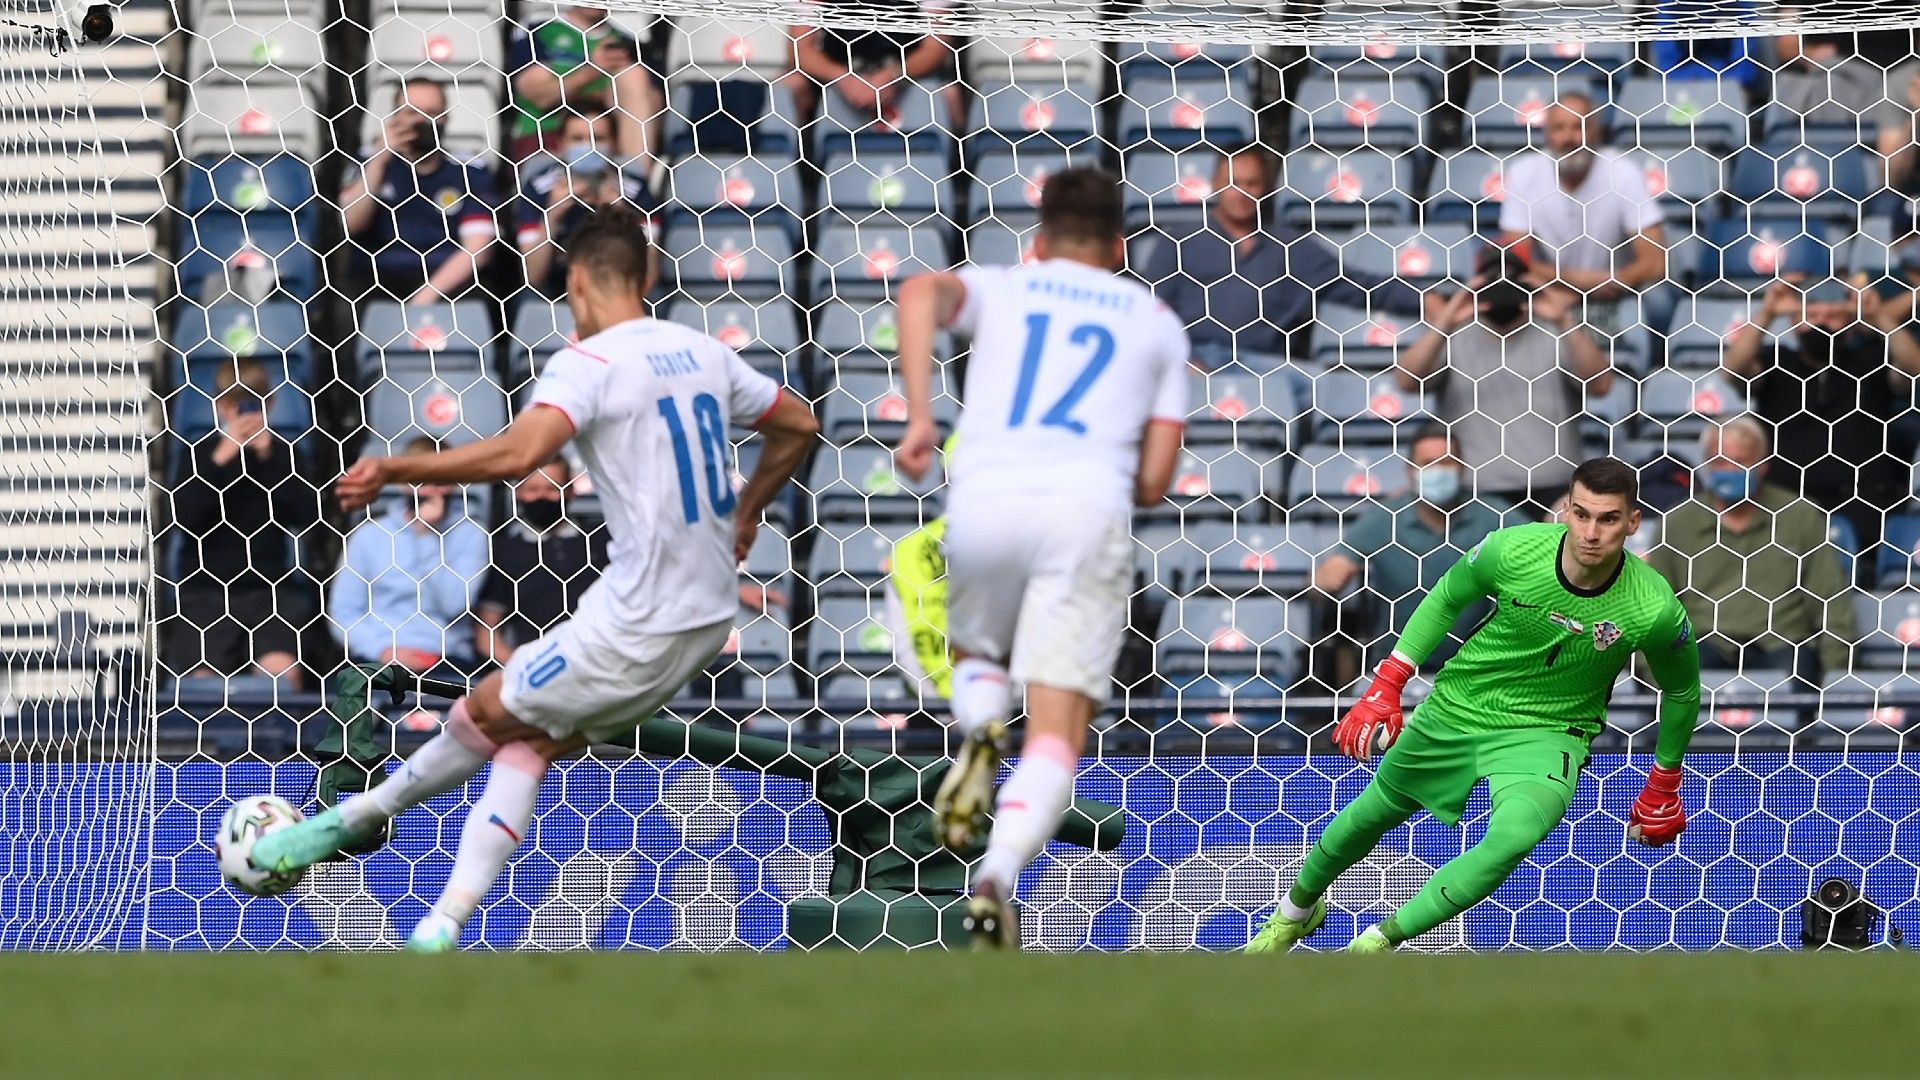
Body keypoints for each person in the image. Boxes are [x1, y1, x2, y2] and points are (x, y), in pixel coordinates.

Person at [249, 207, 822, 951]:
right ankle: (442, 925)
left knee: (480, 713)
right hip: (708, 618)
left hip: (638, 616)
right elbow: (800, 425)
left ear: (576, 280)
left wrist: (397, 464)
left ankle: (348, 821)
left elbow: (520, 454)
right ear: (646, 277)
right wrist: (748, 513)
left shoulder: (587, 363)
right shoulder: (702, 352)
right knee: (530, 743)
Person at [893, 167, 1190, 947]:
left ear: (1039, 238)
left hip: (986, 499)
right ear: (1120, 244)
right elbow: (1156, 481)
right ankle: (997, 872)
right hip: (1084, 511)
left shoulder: (1005, 287)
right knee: (1057, 735)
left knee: (979, 649)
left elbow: (920, 293)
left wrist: (923, 418)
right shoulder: (1156, 321)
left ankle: (981, 723)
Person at [1247, 458, 1702, 953]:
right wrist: (1388, 682)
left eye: (1609, 519)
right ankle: (1295, 913)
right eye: (1582, 513)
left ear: (1633, 523)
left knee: (1515, 835)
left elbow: (1681, 691)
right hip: (1460, 706)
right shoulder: (1511, 550)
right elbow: (1446, 597)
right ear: (1565, 511)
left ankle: (1377, 943)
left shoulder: (1653, 607)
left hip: (1549, 732)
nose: (1591, 532)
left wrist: (1664, 780)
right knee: (1371, 814)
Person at [1141, 143, 1433, 366]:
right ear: (1216, 183)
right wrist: (1184, 362)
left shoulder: (1292, 248)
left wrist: (1425, 300)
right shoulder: (1177, 241)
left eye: (1251, 183)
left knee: (1320, 388)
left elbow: (1359, 286)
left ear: (1266, 188)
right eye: (1232, 183)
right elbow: (1151, 316)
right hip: (1193, 362)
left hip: (1266, 367)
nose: (1241, 192)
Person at [1396, 247, 1613, 518]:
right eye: (1492, 280)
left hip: (1554, 491)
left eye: (1513, 279)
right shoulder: (1456, 334)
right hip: (1475, 493)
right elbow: (1406, 381)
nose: (1503, 286)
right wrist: (1446, 320)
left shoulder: (1555, 332)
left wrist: (1563, 319)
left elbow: (1601, 384)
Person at [1645, 417, 1854, 686]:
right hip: (1703, 644)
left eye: (1741, 462)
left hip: (1781, 646)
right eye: (1720, 461)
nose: (1729, 470)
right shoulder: (1677, 523)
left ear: (1763, 465)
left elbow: (1831, 602)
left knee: (1795, 678)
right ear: (1707, 464)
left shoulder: (1799, 515)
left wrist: (1836, 679)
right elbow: (1652, 612)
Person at [1722, 275, 1920, 551]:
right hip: (1782, 505)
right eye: (1812, 314)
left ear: (1850, 320)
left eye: (1832, 315)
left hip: (1860, 506)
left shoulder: (1873, 360)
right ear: (1793, 321)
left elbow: (1913, 368)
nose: (1821, 322)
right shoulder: (1775, 362)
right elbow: (1732, 370)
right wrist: (1766, 314)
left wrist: (1879, 317)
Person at [163, 359, 319, 688]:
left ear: (271, 403)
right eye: (236, 404)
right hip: (204, 595)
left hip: (269, 593)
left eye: (254, 403)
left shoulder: (286, 456)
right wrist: (224, 454)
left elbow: (308, 517)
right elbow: (184, 518)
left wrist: (269, 460)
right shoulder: (198, 455)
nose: (245, 414)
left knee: (283, 677)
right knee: (201, 687)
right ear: (221, 407)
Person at [1315, 424, 1517, 669]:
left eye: (1446, 462)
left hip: (1477, 669)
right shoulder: (1386, 518)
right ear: (1410, 470)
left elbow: (1542, 553)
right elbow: (1327, 578)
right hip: (1396, 668)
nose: (1437, 470)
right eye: (1428, 463)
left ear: (1461, 468)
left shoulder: (1494, 515)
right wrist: (1324, 580)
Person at [329, 436, 490, 679]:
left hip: (446, 658)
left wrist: (426, 536)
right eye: (421, 480)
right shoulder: (370, 534)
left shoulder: (472, 534)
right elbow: (344, 612)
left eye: (440, 480)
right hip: (378, 657)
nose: (431, 489)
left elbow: (453, 605)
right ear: (404, 483)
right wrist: (384, 650)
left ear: (454, 484)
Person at [1498, 92, 1669, 320]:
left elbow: (1656, 261)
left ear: (1596, 132)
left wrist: (1611, 281)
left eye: (1578, 127)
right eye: (1559, 128)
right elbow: (1514, 261)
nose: (1569, 138)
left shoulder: (1623, 172)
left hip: (1618, 294)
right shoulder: (1523, 174)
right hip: (1549, 295)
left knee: (1659, 299)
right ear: (1547, 135)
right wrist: (1581, 283)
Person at [341, 78, 498, 305]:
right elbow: (349, 224)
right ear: (394, 119)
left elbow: (477, 249)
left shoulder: (470, 170)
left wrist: (426, 296)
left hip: (448, 283)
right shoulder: (366, 163)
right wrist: (379, 161)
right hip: (378, 280)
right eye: (411, 113)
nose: (421, 120)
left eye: (431, 113)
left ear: (445, 120)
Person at [474, 458, 608, 669]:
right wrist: (523, 672)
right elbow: (486, 634)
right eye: (532, 489)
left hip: (603, 661)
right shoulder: (507, 551)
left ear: (570, 491)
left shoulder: (600, 540)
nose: (542, 497)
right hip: (540, 667)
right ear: (518, 493)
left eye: (552, 489)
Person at [515, 110, 654, 297]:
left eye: (597, 138)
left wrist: (620, 215)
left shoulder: (635, 190)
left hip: (617, 290)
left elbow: (651, 272)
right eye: (578, 139)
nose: (588, 147)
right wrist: (553, 215)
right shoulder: (538, 188)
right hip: (556, 290)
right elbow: (532, 276)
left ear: (614, 144)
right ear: (562, 145)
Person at [507, 4, 661, 169]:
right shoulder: (540, 32)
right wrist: (593, 70)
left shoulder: (628, 45)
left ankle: (635, 177)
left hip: (609, 144)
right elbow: (538, 96)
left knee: (633, 75)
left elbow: (652, 105)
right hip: (546, 139)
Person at [788, 7, 962, 129]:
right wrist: (842, 76)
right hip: (836, 74)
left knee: (950, 95)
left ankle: (956, 174)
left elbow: (936, 47)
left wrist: (895, 74)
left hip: (908, 74)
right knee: (791, 86)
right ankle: (807, 172)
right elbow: (800, 49)